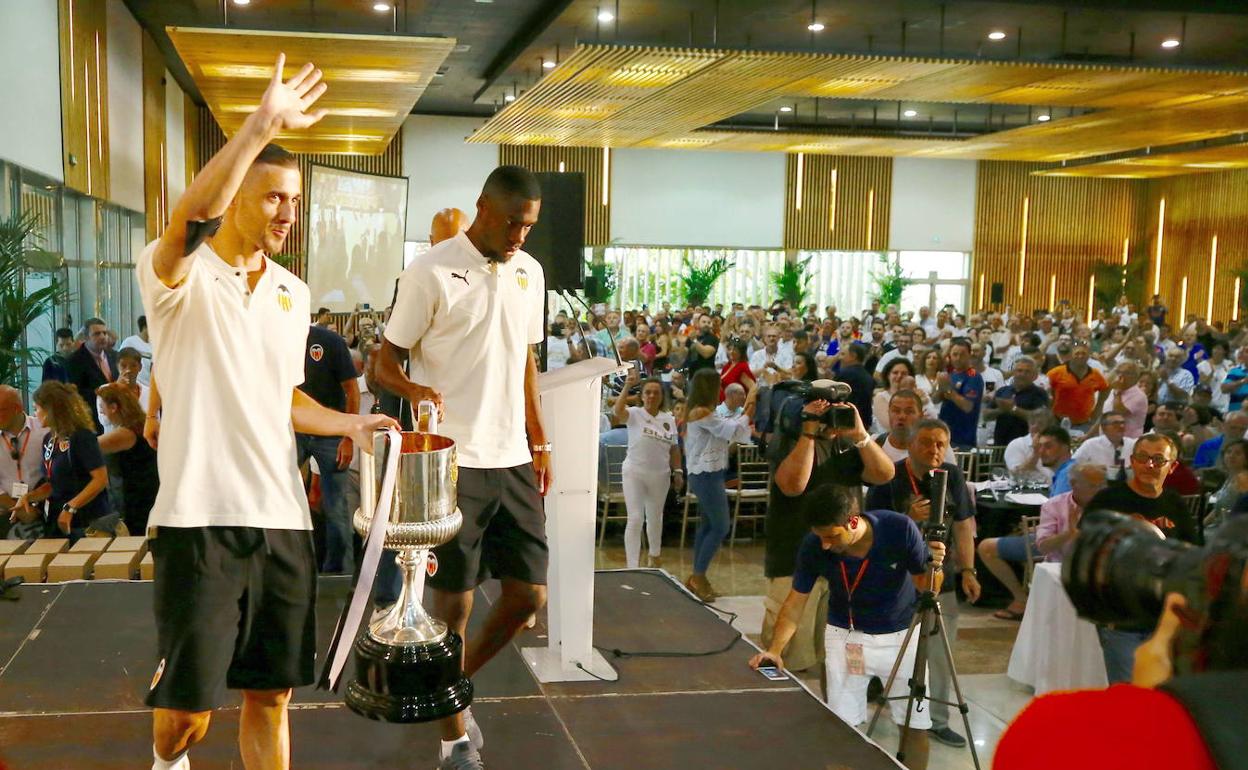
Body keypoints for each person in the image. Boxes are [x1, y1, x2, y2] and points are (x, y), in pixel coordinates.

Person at [136, 56, 396, 770]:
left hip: (282, 519)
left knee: (272, 697)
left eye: (295, 199)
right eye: (277, 197)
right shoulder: (175, 277)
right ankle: (169, 761)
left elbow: (282, 396)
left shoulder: (290, 291)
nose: (290, 212)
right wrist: (258, 126)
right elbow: (191, 219)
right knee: (187, 716)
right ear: (239, 195)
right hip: (199, 520)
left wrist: (350, 423)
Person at [376, 164, 552, 770]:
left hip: (514, 458)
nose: (519, 237)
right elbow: (384, 363)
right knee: (452, 608)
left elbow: (525, 360)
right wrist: (415, 389)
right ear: (482, 207)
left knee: (528, 596)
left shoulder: (530, 273)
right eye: (511, 223)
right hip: (452, 461)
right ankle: (453, 739)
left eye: (527, 227)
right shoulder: (428, 272)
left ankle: (446, 687)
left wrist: (541, 439)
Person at [750, 484, 945, 770]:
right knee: (841, 730)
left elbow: (927, 589)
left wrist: (935, 567)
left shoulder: (899, 529)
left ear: (853, 521)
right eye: (821, 537)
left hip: (902, 639)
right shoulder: (813, 544)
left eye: (832, 536)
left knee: (913, 726)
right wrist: (775, 650)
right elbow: (795, 603)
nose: (826, 544)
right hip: (845, 638)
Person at [865, 417, 980, 749]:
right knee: (892, 646)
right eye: (927, 442)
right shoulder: (888, 477)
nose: (934, 450)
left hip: (940, 574)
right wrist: (906, 519)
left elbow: (961, 525)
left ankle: (937, 720)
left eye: (941, 444)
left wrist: (969, 570)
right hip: (897, 578)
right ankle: (888, 698)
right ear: (910, 444)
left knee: (941, 651)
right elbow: (871, 532)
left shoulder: (952, 475)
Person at [763, 391, 894, 676]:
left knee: (835, 657)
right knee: (789, 655)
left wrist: (861, 435)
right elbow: (793, 485)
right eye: (822, 411)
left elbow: (885, 474)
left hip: (842, 558)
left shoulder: (850, 444)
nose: (830, 419)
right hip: (793, 555)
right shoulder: (789, 440)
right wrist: (808, 433)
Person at [1083, 432, 1197, 683]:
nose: (1150, 465)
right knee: (1128, 695)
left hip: (1164, 619)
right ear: (1132, 462)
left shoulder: (1174, 503)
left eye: (1158, 459)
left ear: (1173, 466)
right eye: (1143, 458)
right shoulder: (1108, 500)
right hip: (1123, 619)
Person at [977, 463, 1109, 620]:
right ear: (1074, 484)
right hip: (1060, 571)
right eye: (1094, 486)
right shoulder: (1055, 505)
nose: (1101, 490)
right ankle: (1022, 600)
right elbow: (1043, 546)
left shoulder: (1110, 504)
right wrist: (1068, 534)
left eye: (1103, 485)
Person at [683, 367, 755, 601]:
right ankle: (698, 575)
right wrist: (751, 404)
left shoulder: (704, 411)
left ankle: (697, 577)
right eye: (718, 386)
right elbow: (729, 430)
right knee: (721, 526)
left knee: (707, 526)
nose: (721, 390)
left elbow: (729, 430)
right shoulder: (701, 412)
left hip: (709, 473)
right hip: (705, 474)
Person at [296, 320, 359, 574]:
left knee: (335, 506)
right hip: (293, 430)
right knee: (274, 497)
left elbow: (352, 391)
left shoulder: (330, 341)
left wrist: (348, 436)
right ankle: (284, 565)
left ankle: (339, 571)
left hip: (331, 433)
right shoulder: (276, 336)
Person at [13, 382, 112, 540]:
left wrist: (71, 507)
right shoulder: (49, 440)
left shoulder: (82, 437)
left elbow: (100, 480)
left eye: (37, 408)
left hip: (88, 521)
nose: (35, 413)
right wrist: (29, 497)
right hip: (59, 521)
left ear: (50, 410)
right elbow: (53, 484)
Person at [612, 371, 682, 569]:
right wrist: (627, 386)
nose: (652, 396)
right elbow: (618, 412)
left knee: (655, 517)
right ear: (642, 396)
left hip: (660, 475)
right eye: (648, 392)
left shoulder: (668, 419)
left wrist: (678, 471)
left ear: (661, 397)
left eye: (656, 393)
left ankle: (654, 555)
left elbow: (674, 448)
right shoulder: (634, 414)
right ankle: (632, 565)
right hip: (634, 472)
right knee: (635, 517)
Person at [96, 382, 160, 536]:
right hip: (147, 497)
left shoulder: (126, 434)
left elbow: (86, 448)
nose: (102, 413)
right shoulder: (141, 424)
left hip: (135, 503)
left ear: (113, 407)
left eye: (102, 408)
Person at [0, 385, 50, 540]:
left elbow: (57, 474)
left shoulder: (45, 430)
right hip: (5, 513)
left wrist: (33, 505)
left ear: (17, 408)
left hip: (42, 510)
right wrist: (17, 509)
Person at [67, 317, 118, 432]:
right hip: (91, 421)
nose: (102, 337)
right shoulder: (74, 361)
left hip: (116, 418)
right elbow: (76, 393)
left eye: (104, 333)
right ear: (85, 337)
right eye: (96, 334)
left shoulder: (114, 356)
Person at [930, 339, 983, 449]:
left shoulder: (973, 376)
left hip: (963, 438)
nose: (958, 358)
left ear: (969, 355)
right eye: (955, 354)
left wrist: (949, 390)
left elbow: (968, 406)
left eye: (962, 355)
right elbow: (935, 400)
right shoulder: (950, 374)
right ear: (950, 355)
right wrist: (939, 388)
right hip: (944, 434)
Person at [986, 356, 1049, 447]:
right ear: (1014, 373)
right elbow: (985, 416)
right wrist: (1000, 410)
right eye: (1019, 370)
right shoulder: (1003, 391)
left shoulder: (1040, 393)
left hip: (1027, 446)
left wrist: (1014, 409)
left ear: (1034, 376)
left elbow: (1041, 419)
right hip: (1000, 446)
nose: (1022, 374)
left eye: (1027, 372)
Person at [1046, 342, 1108, 431]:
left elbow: (1105, 388)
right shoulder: (1056, 372)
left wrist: (1098, 406)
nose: (1080, 356)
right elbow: (1045, 388)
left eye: (1084, 353)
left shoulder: (1095, 374)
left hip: (1084, 423)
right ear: (1071, 355)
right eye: (1077, 353)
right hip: (1058, 420)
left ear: (1088, 356)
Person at [1072, 413, 1135, 480]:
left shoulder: (1132, 444)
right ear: (1104, 428)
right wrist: (1091, 468)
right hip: (1099, 485)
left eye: (1123, 423)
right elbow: (1072, 466)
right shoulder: (1091, 444)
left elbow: (1146, 463)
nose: (1121, 426)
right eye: (1115, 423)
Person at [1100, 361, 1148, 438]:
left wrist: (1118, 391)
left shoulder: (1139, 396)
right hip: (1107, 439)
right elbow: (1104, 415)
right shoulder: (1114, 391)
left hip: (1127, 441)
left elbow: (1117, 413)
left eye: (1125, 373)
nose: (1120, 376)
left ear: (1134, 376)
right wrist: (1088, 435)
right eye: (1118, 372)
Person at [836, 342, 876, 430]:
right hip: (863, 424)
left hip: (845, 425)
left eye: (843, 354)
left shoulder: (845, 374)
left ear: (853, 356)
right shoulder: (868, 377)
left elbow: (835, 401)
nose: (839, 358)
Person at [873, 358, 916, 433]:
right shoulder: (880, 398)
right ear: (888, 376)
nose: (899, 376)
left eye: (904, 373)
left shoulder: (919, 395)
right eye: (895, 373)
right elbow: (891, 424)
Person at [1036, 426, 1075, 495]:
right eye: (1039, 446)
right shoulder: (1070, 469)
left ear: (1064, 448)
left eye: (1048, 446)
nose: (1041, 451)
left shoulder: (1067, 474)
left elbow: (1060, 506)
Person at [119, 315, 154, 385]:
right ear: (145, 327)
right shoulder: (130, 341)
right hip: (133, 384)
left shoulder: (153, 345)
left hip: (148, 386)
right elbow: (120, 362)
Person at [718, 337, 756, 401]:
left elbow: (753, 388)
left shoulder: (742, 367)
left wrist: (747, 406)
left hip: (735, 407)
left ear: (741, 352)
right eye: (729, 349)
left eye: (735, 349)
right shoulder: (727, 365)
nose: (731, 352)